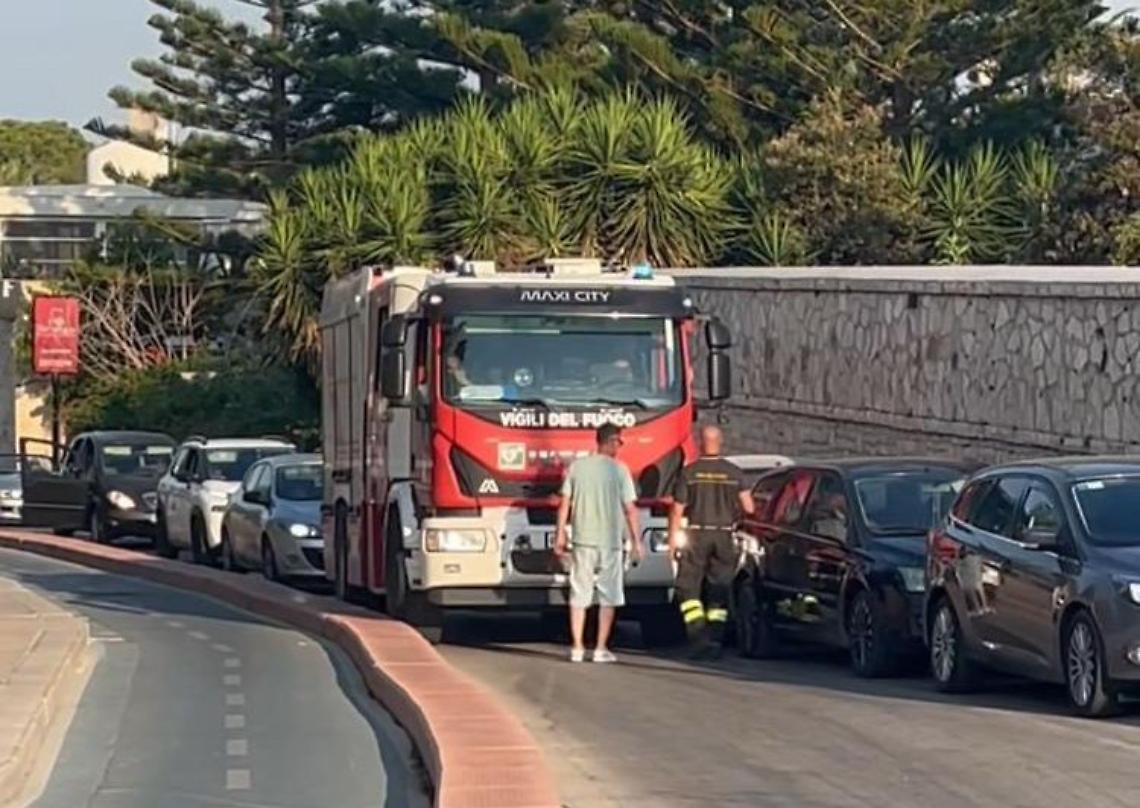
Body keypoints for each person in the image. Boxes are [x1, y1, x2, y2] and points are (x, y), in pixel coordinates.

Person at [554, 424, 642, 663]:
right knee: (608, 595)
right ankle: (600, 648)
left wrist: (560, 533)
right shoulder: (620, 470)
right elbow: (630, 509)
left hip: (582, 539)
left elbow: (565, 504)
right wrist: (637, 541)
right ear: (611, 441)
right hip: (610, 541)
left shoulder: (577, 468)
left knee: (579, 593)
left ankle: (577, 647)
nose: (619, 447)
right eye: (619, 442)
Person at [668, 425, 755, 659]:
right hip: (724, 536)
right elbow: (749, 507)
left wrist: (673, 540)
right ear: (721, 442)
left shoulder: (689, 473)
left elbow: (677, 510)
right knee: (720, 588)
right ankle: (715, 640)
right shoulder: (734, 473)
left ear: (700, 442)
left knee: (687, 587)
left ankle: (698, 636)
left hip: (696, 534)